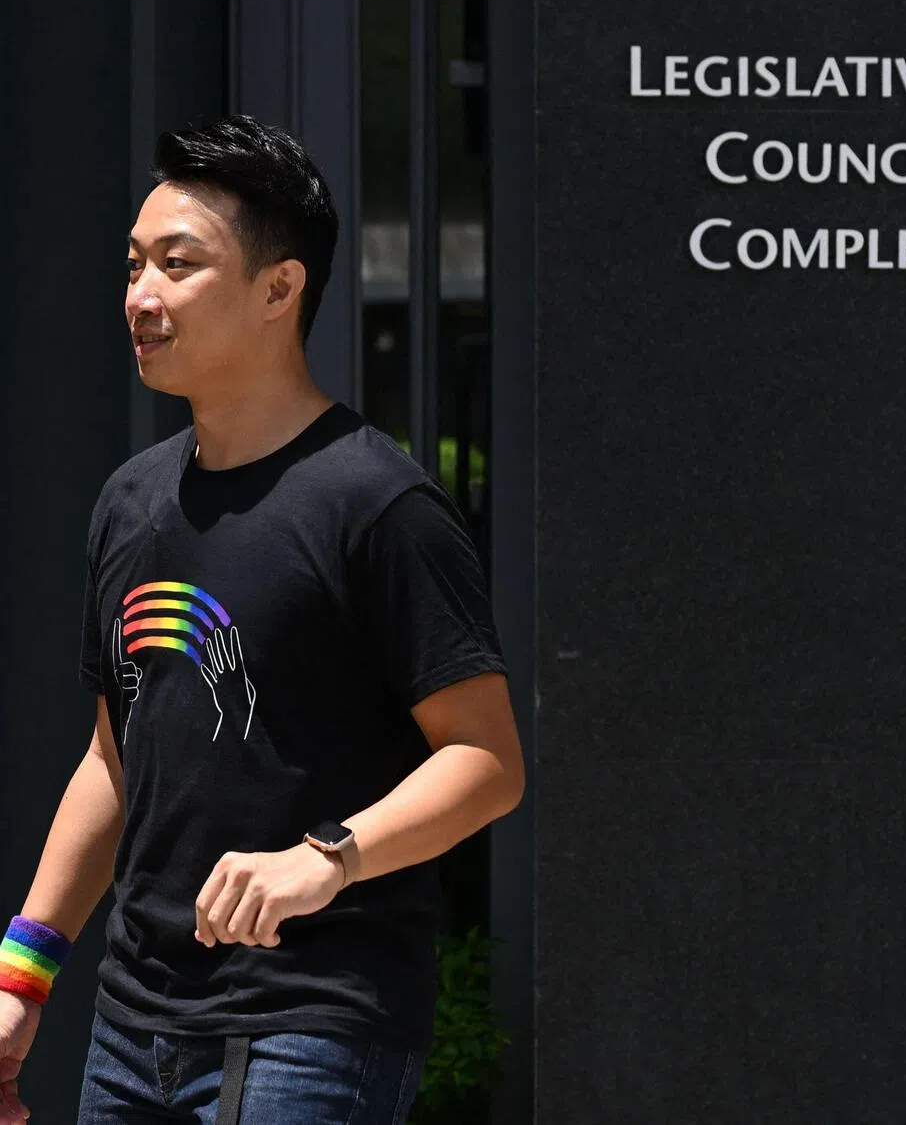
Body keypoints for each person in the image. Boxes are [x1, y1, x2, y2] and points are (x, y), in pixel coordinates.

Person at [0, 114, 524, 1125]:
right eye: (135, 264)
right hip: (129, 1032)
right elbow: (116, 758)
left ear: (280, 289)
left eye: (179, 264)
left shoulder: (377, 504)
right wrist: (24, 977)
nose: (141, 296)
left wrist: (322, 858)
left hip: (313, 1030)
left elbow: (488, 762)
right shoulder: (131, 501)